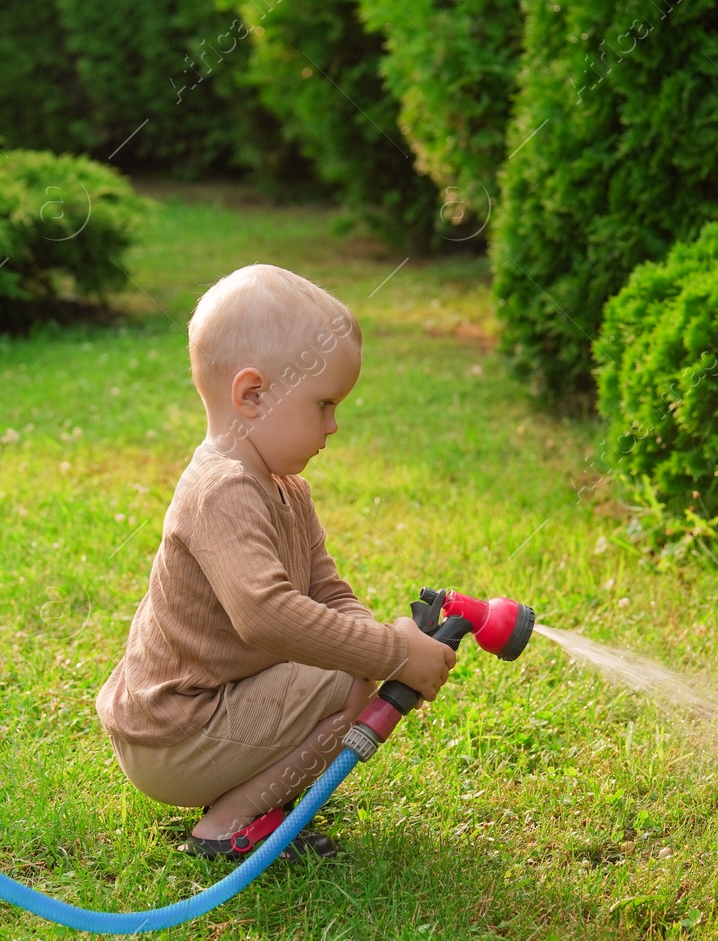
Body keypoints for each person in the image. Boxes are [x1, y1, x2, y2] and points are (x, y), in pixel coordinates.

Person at [94, 264, 455, 859]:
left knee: (352, 665)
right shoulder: (221, 491)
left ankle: (248, 796)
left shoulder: (288, 490)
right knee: (348, 675)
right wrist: (390, 652)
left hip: (204, 717)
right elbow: (265, 615)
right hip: (174, 738)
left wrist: (380, 639)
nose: (334, 425)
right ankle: (229, 823)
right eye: (324, 404)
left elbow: (326, 590)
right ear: (253, 396)